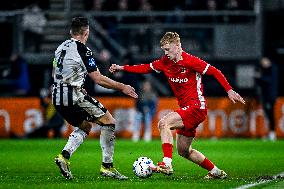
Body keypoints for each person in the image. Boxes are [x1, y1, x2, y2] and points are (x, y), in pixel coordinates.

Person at [109, 32, 245, 178]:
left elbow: (215, 72)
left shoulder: (190, 61)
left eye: (168, 49)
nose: (166, 53)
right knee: (184, 151)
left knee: (164, 123)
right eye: (164, 50)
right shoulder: (165, 62)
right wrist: (122, 68)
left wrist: (229, 90)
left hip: (196, 106)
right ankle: (216, 172)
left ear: (178, 46)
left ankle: (167, 163)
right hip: (187, 109)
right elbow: (145, 68)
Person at [52, 16, 137, 180]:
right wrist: (122, 86)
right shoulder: (83, 49)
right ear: (87, 32)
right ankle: (107, 167)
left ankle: (64, 156)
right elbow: (98, 79)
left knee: (85, 126)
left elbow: (55, 73)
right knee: (109, 121)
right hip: (72, 94)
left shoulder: (60, 48)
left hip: (57, 95)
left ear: (71, 31)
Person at [255, 57, 278, 141]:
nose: (263, 63)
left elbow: (269, 80)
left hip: (270, 96)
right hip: (265, 96)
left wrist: (259, 77)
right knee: (267, 115)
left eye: (264, 62)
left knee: (270, 114)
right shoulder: (264, 70)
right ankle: (269, 133)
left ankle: (272, 133)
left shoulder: (273, 69)